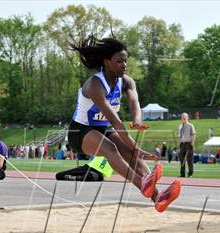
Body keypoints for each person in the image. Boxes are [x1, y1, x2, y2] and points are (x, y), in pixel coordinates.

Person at [67, 35, 181, 212]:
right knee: (111, 148)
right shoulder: (95, 85)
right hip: (80, 132)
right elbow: (115, 121)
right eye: (119, 61)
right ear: (106, 62)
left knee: (130, 154)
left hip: (102, 129)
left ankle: (158, 198)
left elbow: (134, 102)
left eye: (126, 61)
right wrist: (136, 147)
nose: (124, 65)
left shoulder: (126, 81)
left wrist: (136, 121)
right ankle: (142, 183)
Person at [178, 112, 196, 177]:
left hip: (188, 144)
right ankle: (182, 174)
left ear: (187, 117)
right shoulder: (180, 126)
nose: (184, 118)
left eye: (185, 116)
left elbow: (193, 135)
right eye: (182, 117)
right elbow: (179, 136)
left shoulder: (190, 125)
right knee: (182, 159)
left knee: (189, 160)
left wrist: (192, 144)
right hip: (182, 144)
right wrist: (179, 143)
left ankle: (190, 174)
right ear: (181, 118)